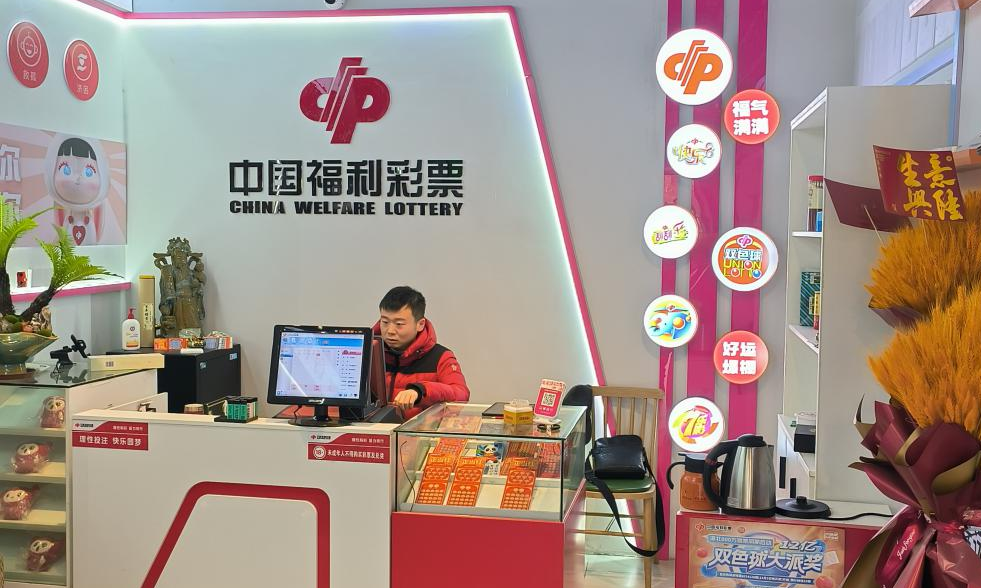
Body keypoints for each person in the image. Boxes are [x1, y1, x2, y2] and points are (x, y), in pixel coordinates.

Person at [374, 286, 469, 418]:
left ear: (420, 324)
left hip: (420, 430)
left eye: (399, 324)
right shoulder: (369, 354)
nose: (390, 331)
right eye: (384, 322)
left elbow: (461, 393)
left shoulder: (440, 357)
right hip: (370, 430)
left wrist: (420, 391)